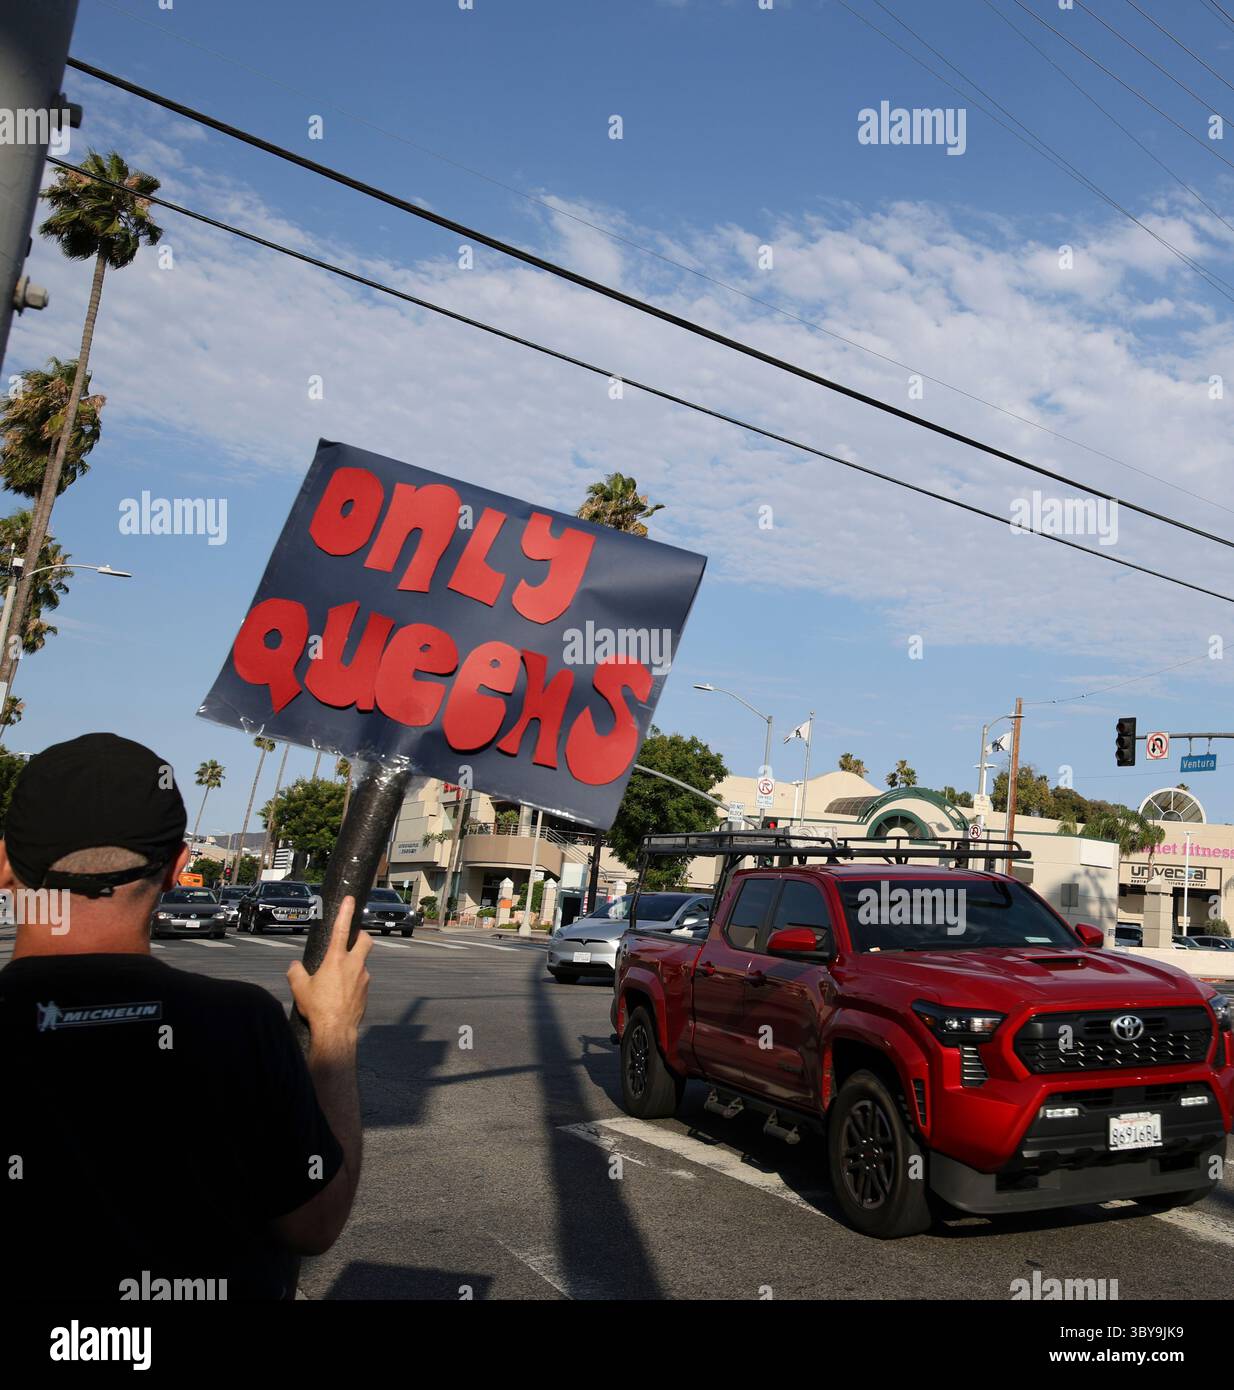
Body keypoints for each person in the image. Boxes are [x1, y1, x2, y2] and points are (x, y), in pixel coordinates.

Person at [0, 732, 372, 1300]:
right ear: (177, 866)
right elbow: (315, 1223)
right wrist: (336, 1036)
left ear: (5, 863)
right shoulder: (239, 1023)